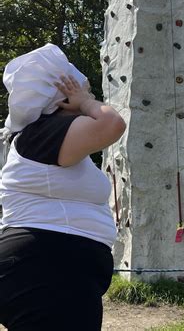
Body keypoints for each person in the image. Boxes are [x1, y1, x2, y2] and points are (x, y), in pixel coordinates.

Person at [0, 44, 126, 331]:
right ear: (61, 98)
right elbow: (112, 123)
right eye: (82, 89)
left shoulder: (45, 139)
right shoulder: (45, 134)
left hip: (51, 271)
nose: (90, 95)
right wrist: (85, 104)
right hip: (45, 271)